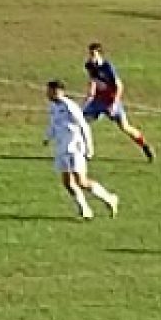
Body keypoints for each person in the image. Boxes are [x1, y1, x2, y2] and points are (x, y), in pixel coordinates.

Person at [45, 80, 118, 220]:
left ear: (59, 92)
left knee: (81, 181)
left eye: (50, 91)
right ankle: (85, 209)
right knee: (68, 183)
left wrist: (89, 148)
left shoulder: (70, 106)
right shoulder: (53, 107)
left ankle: (109, 198)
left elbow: (84, 126)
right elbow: (54, 124)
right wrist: (48, 137)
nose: (47, 94)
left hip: (75, 148)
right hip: (61, 149)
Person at [83, 43, 155, 162]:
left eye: (93, 54)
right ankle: (86, 151)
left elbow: (119, 86)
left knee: (125, 127)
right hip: (98, 101)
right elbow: (93, 82)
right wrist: (88, 98)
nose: (91, 57)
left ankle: (145, 146)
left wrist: (114, 104)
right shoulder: (89, 65)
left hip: (111, 101)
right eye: (90, 54)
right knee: (82, 123)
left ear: (100, 54)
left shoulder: (108, 67)